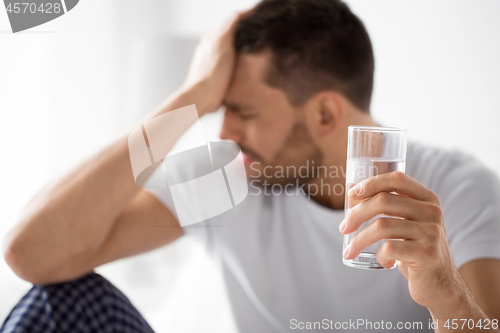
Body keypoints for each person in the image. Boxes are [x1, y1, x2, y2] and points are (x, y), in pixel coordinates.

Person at [3, 0, 500, 332]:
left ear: (325, 112)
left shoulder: (455, 189)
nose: (224, 132)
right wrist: (190, 97)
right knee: (57, 299)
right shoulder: (228, 176)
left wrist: (444, 291)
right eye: (219, 108)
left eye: (243, 111)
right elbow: (32, 254)